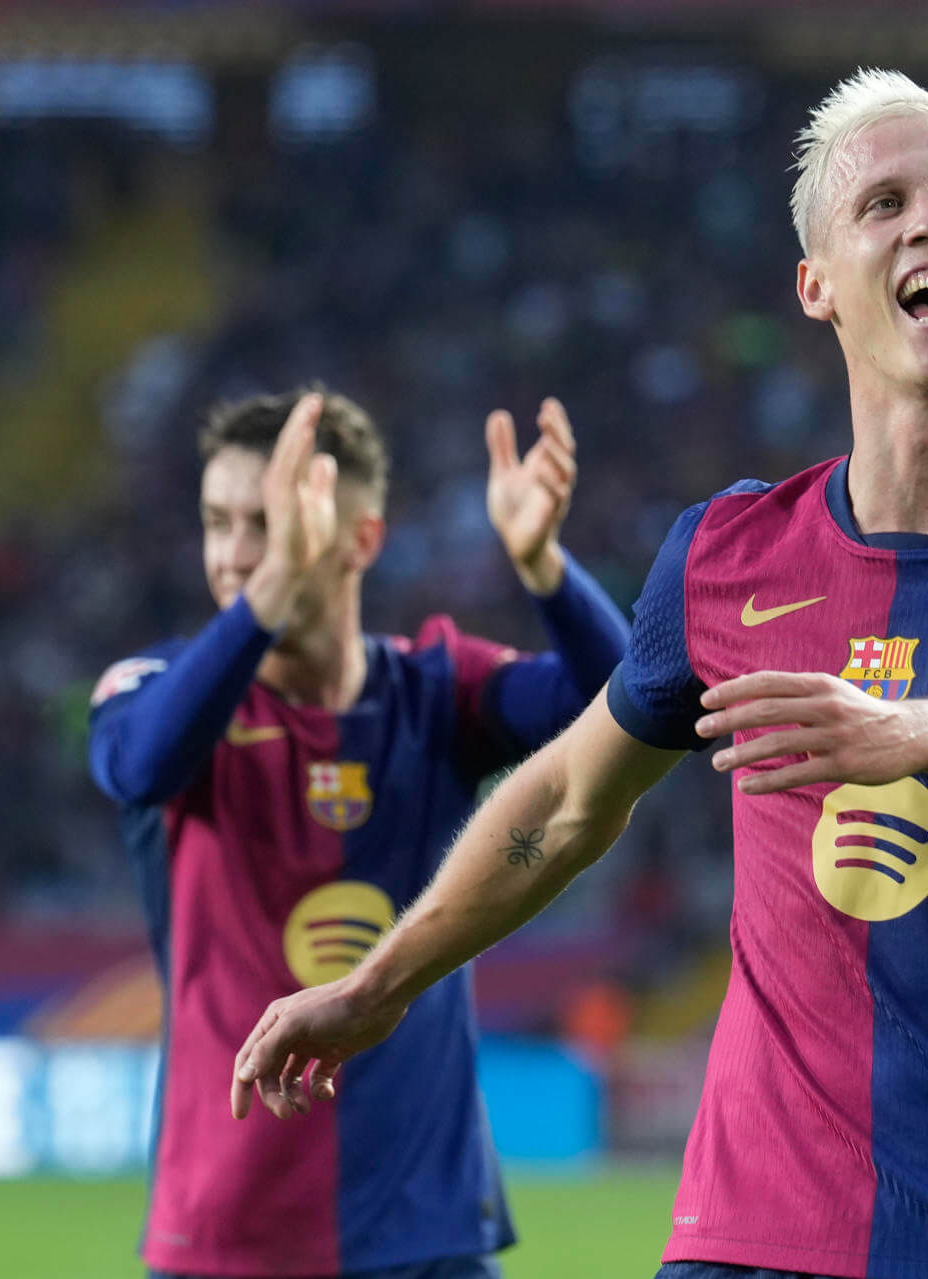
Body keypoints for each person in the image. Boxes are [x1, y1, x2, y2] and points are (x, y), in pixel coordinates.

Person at [231, 70, 928, 1279]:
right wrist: (383, 982)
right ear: (816, 286)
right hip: (746, 1242)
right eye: (882, 205)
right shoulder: (727, 553)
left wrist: (915, 733)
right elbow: (566, 801)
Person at [88, 388, 630, 1278]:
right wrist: (269, 591)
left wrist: (544, 568)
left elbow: (623, 710)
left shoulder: (435, 689)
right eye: (217, 522)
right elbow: (142, 768)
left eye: (269, 522)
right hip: (226, 1231)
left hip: (427, 1228)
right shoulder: (155, 687)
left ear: (362, 540)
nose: (234, 555)